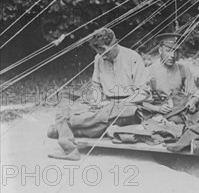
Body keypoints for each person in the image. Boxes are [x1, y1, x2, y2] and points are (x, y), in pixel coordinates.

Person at [48, 28, 148, 160]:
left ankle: (62, 130)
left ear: (114, 44)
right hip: (105, 106)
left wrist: (119, 103)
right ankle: (68, 135)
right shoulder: (99, 58)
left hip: (127, 107)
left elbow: (143, 92)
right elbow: (96, 85)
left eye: (105, 52)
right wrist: (97, 102)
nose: (103, 56)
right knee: (65, 104)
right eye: (99, 53)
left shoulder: (133, 57)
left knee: (86, 122)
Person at [143, 33, 199, 121]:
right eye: (168, 51)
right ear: (160, 50)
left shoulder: (183, 69)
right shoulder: (149, 71)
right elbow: (141, 101)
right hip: (161, 113)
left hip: (181, 108)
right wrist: (157, 108)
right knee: (177, 120)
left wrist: (192, 102)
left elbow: (195, 93)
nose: (172, 55)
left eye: (176, 51)